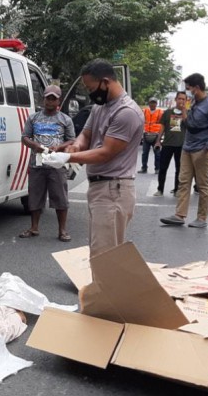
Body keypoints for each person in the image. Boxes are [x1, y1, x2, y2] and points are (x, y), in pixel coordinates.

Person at [42, 59, 144, 255]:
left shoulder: (126, 112)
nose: (90, 93)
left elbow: (106, 152)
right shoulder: (100, 106)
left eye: (91, 87)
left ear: (106, 82)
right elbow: (87, 134)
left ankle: (106, 286)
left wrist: (67, 158)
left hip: (114, 189)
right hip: (100, 188)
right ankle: (104, 285)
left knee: (104, 254)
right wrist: (76, 146)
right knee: (101, 250)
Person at [160, 73, 208, 228]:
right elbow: (190, 124)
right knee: (183, 182)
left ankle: (202, 218)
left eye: (189, 88)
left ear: (196, 88)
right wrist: (183, 113)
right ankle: (179, 215)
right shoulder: (194, 103)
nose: (187, 92)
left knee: (202, 184)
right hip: (187, 148)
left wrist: (206, 149)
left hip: (202, 150)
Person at [18, 85, 75, 242]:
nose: (50, 101)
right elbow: (25, 137)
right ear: (43, 99)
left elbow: (72, 139)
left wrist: (60, 147)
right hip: (37, 162)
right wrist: (34, 145)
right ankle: (34, 228)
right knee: (35, 195)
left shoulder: (65, 119)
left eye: (53, 99)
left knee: (60, 197)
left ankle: (62, 230)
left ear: (58, 101)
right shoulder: (33, 118)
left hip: (57, 163)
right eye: (47, 98)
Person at [154, 91, 188, 197]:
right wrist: (158, 140)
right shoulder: (168, 112)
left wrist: (184, 112)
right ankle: (160, 189)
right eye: (179, 98)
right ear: (176, 99)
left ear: (186, 101)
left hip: (181, 145)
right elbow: (162, 127)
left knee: (179, 169)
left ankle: (177, 189)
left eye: (183, 99)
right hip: (168, 144)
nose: (181, 101)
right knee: (163, 167)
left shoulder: (188, 113)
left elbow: (188, 125)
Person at [140, 97, 163, 173]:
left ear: (156, 104)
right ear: (149, 103)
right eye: (151, 103)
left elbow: (163, 124)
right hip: (146, 135)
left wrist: (160, 136)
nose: (152, 104)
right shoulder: (144, 111)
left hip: (156, 136)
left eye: (154, 103)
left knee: (157, 153)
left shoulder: (160, 112)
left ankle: (157, 168)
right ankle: (144, 168)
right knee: (144, 153)